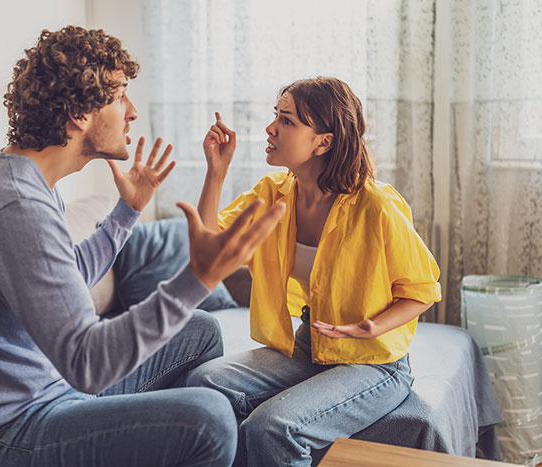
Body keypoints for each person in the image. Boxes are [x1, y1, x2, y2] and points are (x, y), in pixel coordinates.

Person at [0, 25, 285, 467]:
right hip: (4, 432)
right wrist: (199, 277)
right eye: (120, 96)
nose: (132, 111)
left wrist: (127, 212)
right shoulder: (16, 203)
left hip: (53, 391)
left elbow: (65, 280)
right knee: (209, 418)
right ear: (80, 113)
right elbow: (88, 363)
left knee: (199, 331)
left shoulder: (30, 182)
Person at [187, 77, 441, 466]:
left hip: (374, 362)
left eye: (286, 121)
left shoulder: (376, 206)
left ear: (322, 142)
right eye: (276, 116)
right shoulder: (273, 193)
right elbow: (209, 250)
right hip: (311, 345)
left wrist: (372, 328)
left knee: (273, 426)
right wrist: (216, 172)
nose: (271, 128)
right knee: (204, 384)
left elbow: (422, 291)